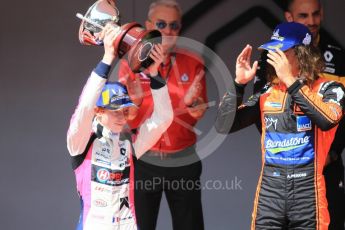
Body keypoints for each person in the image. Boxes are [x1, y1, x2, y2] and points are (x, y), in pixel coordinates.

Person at [215, 22, 345, 230]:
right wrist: (239, 84)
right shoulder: (268, 91)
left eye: (280, 50)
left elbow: (327, 120)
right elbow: (223, 125)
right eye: (271, 50)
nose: (273, 56)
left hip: (308, 193)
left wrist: (292, 82)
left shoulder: (329, 89)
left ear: (301, 53)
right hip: (270, 193)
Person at [66, 24, 173, 230]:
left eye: (124, 111)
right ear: (99, 112)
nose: (121, 117)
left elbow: (164, 118)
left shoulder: (130, 144)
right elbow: (86, 105)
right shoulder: (80, 142)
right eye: (114, 110)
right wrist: (107, 58)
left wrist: (154, 74)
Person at [253, 1, 345, 229]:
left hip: (323, 170)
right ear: (289, 16)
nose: (312, 21)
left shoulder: (337, 63)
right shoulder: (270, 71)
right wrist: (236, 85)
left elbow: (332, 117)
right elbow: (257, 116)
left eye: (316, 14)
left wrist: (332, 152)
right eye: (304, 15)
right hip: (276, 180)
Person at [117, 0, 207, 229]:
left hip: (183, 160)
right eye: (161, 24)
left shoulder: (193, 62)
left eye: (174, 26)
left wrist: (193, 109)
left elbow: (195, 116)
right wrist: (134, 105)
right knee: (138, 226)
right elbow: (126, 121)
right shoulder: (131, 64)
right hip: (144, 161)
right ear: (149, 25)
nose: (168, 30)